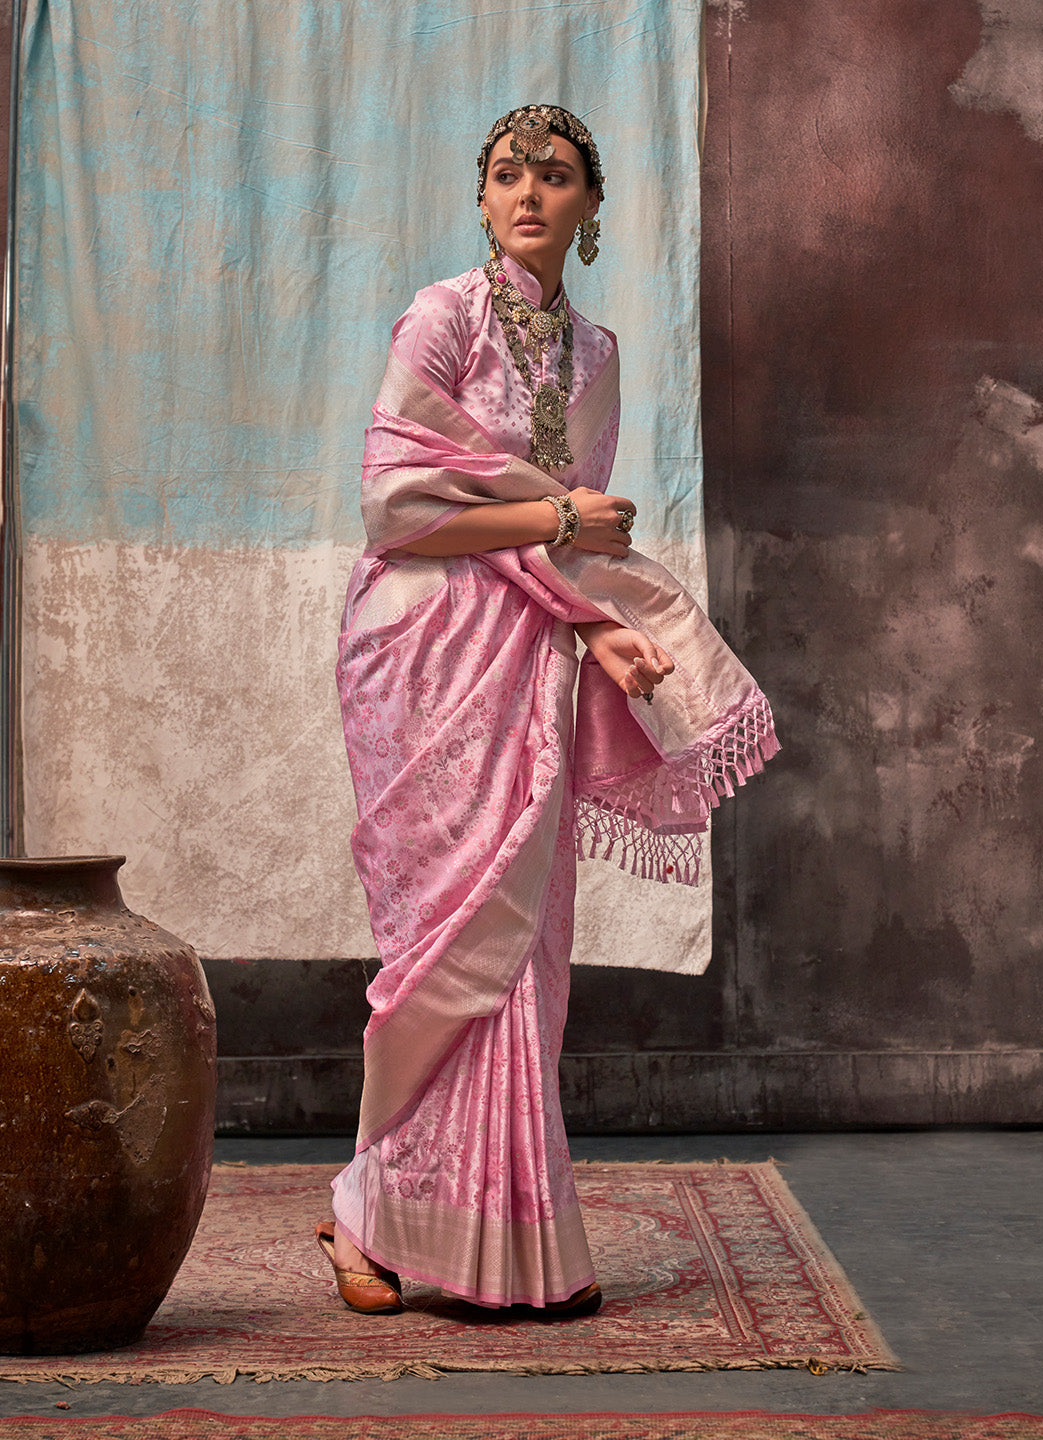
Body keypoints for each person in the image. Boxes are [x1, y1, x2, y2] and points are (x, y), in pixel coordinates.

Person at [316, 104, 777, 1318]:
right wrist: (557, 519)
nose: (529, 192)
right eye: (509, 174)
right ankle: (367, 1210)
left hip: (530, 648)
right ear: (481, 199)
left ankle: (490, 1241)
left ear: (589, 206)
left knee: (523, 944)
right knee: (435, 940)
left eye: (556, 175)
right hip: (418, 648)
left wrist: (601, 628)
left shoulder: (600, 355)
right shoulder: (441, 316)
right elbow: (396, 512)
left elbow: (574, 552)